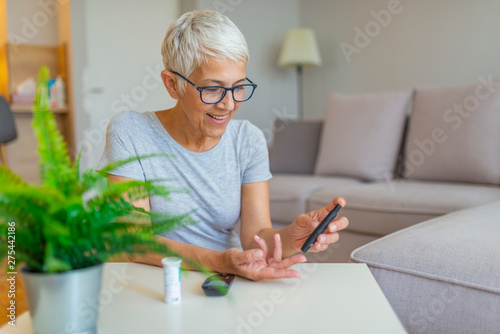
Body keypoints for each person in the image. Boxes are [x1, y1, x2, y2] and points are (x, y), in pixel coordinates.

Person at [98, 9, 348, 281]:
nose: (228, 105)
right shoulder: (131, 131)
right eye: (212, 89)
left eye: (238, 87)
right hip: (153, 283)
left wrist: (291, 237)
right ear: (172, 85)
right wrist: (220, 261)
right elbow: (134, 242)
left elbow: (257, 239)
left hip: (223, 283)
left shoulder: (247, 140)